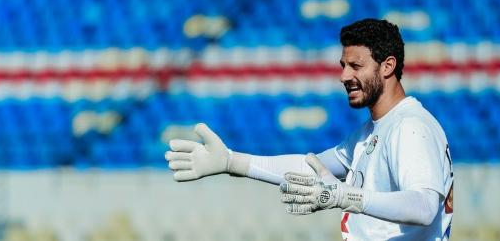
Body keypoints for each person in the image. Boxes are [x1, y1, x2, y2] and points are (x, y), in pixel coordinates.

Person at [165, 18, 454, 240]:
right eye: (343, 65)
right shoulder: (371, 132)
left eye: (356, 65)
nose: (344, 76)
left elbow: (424, 206)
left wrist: (346, 196)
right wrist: (232, 161)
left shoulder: (410, 127)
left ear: (387, 66)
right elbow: (311, 168)